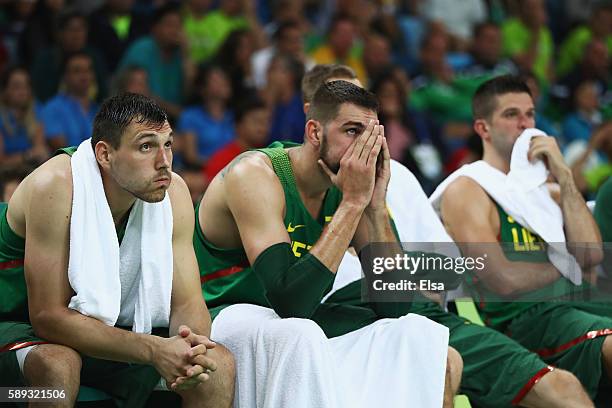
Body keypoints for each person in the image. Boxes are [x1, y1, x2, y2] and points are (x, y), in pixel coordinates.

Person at [307, 64, 596, 407]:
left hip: (421, 312)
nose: (365, 135)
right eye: (350, 124)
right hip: (345, 315)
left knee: (562, 389)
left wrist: (564, 177)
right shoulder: (287, 178)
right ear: (313, 121)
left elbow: (445, 270)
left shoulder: (398, 176)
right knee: (440, 368)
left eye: (368, 121)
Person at [195, 80, 458, 407]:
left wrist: (374, 206)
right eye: (351, 131)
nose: (364, 147)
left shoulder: (352, 187)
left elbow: (394, 304)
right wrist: (351, 205)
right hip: (225, 313)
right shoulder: (255, 174)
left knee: (414, 331)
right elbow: (290, 303)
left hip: (296, 315)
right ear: (315, 132)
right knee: (301, 335)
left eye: (371, 136)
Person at [0, 93, 234, 407]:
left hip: (92, 330)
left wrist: (191, 349)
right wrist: (153, 349)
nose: (164, 162)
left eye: (168, 144)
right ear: (105, 154)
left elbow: (188, 303)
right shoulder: (54, 185)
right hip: (14, 325)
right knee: (57, 365)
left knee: (217, 365)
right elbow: (48, 317)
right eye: (146, 146)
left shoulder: (173, 193)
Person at [432, 74, 610, 404]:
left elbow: (592, 255)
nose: (525, 124)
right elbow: (503, 281)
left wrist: (566, 175)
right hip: (522, 318)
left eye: (530, 114)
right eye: (511, 115)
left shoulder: (548, 191)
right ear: (483, 128)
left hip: (574, 305)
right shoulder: (468, 189)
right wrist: (566, 267)